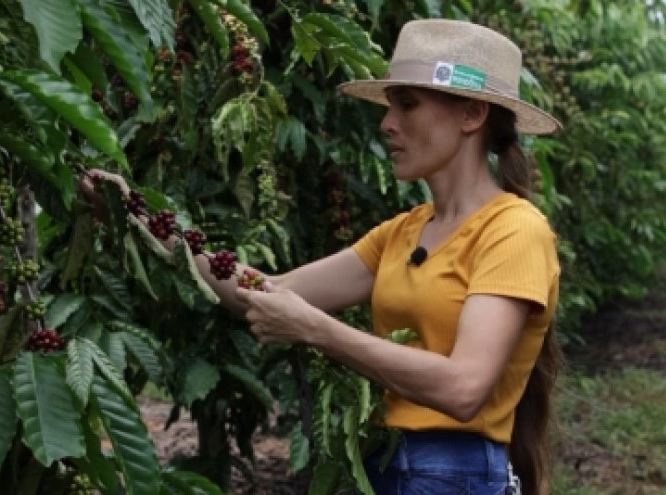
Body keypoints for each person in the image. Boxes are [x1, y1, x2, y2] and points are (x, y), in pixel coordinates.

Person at [82, 19, 563, 495]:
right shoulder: (404, 231)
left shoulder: (514, 231)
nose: (387, 125)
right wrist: (141, 223)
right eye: (390, 106)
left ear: (472, 115)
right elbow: (269, 291)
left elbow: (464, 389)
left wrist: (315, 329)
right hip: (389, 463)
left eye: (407, 105)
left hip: (453, 475)